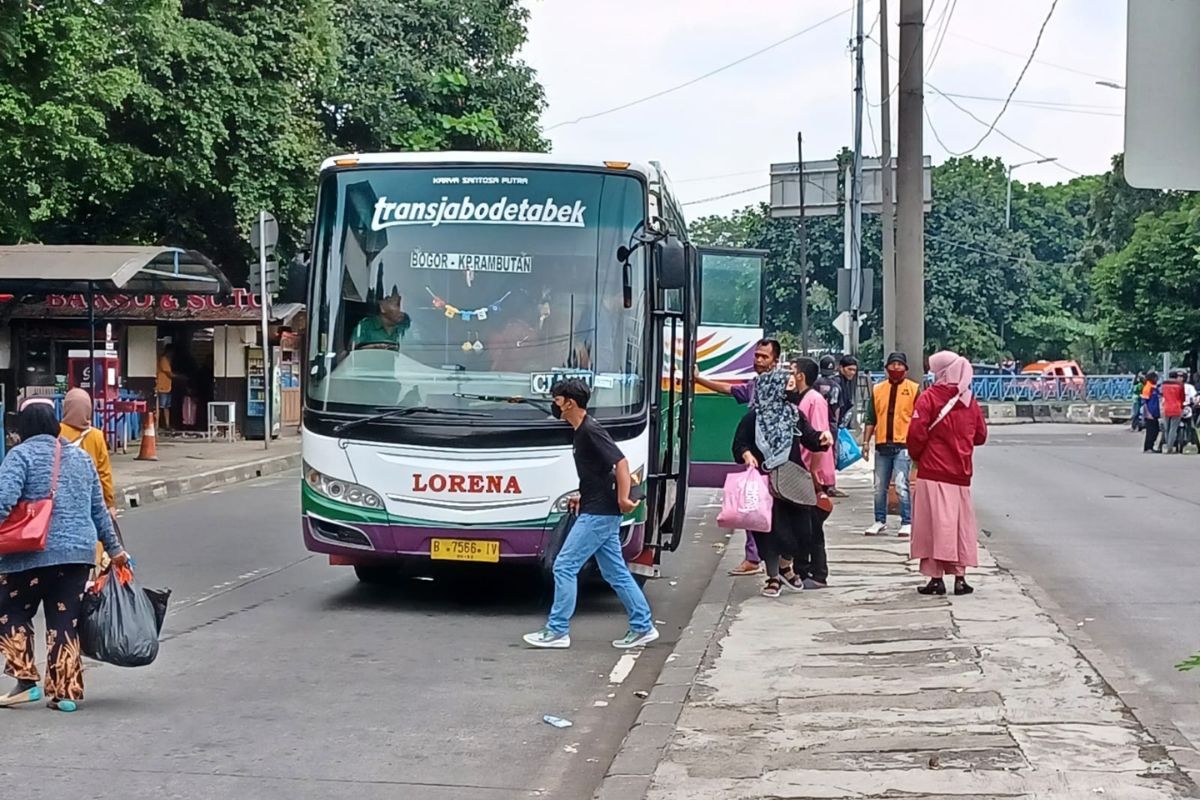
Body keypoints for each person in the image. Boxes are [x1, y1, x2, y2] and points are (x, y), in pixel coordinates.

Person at [0, 401, 127, 712]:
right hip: (77, 557)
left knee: (8, 609)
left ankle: (26, 681)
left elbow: (3, 501)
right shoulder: (82, 458)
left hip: (30, 554)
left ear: (23, 427)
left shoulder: (21, 455)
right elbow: (100, 511)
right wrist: (116, 551)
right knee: (64, 620)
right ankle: (66, 693)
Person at [524, 379, 658, 650]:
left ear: (569, 402)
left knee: (564, 565)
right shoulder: (582, 431)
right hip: (598, 509)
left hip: (599, 513)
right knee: (616, 573)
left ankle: (557, 630)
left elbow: (620, 464)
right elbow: (599, 473)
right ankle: (643, 626)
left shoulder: (589, 431)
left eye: (557, 399)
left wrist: (622, 499)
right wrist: (583, 495)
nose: (554, 403)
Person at [732, 368, 832, 597]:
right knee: (769, 533)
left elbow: (810, 438)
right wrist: (747, 454)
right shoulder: (753, 418)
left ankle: (786, 566)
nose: (792, 390)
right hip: (765, 484)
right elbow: (739, 444)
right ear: (772, 389)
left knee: (801, 533)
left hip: (793, 481)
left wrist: (822, 439)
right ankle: (773, 577)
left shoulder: (794, 414)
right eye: (787, 386)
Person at [694, 338, 782, 576]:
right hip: (755, 457)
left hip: (777, 459)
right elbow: (729, 390)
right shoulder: (755, 385)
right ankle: (755, 559)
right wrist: (698, 379)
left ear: (776, 360)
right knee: (751, 506)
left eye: (764, 357)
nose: (759, 360)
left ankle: (780, 563)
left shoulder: (782, 387)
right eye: (757, 356)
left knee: (777, 511)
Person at [907, 351, 988, 596]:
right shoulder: (969, 400)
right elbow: (981, 436)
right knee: (958, 525)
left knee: (933, 526)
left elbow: (915, 435)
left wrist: (917, 457)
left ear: (941, 371)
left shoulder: (929, 397)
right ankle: (960, 578)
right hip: (961, 474)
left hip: (932, 471)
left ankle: (936, 578)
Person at [786, 358, 834, 589]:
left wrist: (814, 472)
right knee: (803, 525)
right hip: (802, 472)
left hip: (811, 473)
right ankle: (803, 570)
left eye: (791, 371)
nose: (789, 375)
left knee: (813, 527)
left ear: (801, 376)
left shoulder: (814, 400)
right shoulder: (801, 399)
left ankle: (817, 573)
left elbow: (819, 437)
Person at [861, 352, 920, 537]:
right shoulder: (878, 390)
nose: (896, 368)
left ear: (906, 368)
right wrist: (865, 442)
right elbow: (871, 418)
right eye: (892, 364)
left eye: (899, 364)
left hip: (903, 445)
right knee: (879, 486)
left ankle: (907, 521)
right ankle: (879, 520)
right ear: (886, 368)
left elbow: (919, 419)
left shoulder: (914, 389)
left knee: (902, 485)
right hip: (881, 445)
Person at [60, 389, 117, 575]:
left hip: (63, 496)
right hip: (91, 498)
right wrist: (110, 503)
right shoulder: (96, 436)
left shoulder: (57, 432)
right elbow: (104, 473)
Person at [1161, 371, 1185, 454]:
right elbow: (1182, 398)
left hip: (1166, 408)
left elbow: (1162, 395)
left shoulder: (1164, 385)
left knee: (1166, 429)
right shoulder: (1180, 385)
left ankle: (1168, 445)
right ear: (1176, 377)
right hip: (1176, 408)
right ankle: (1169, 448)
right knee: (1173, 429)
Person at [836, 355, 859, 430]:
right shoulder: (837, 383)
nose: (852, 372)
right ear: (841, 368)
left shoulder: (847, 383)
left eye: (854, 370)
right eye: (850, 369)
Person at [156, 344, 175, 430]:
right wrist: (181, 377)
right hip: (162, 386)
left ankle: (167, 425)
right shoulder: (164, 359)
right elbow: (169, 373)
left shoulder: (167, 360)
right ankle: (157, 425)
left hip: (167, 386)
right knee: (161, 407)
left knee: (166, 407)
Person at [1142, 371, 1162, 453]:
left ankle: (1151, 446)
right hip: (1150, 413)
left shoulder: (1154, 387)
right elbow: (1144, 402)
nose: (1157, 379)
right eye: (1156, 377)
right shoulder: (1147, 387)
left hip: (1155, 413)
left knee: (1156, 430)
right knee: (1150, 431)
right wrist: (1147, 413)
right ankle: (1148, 447)